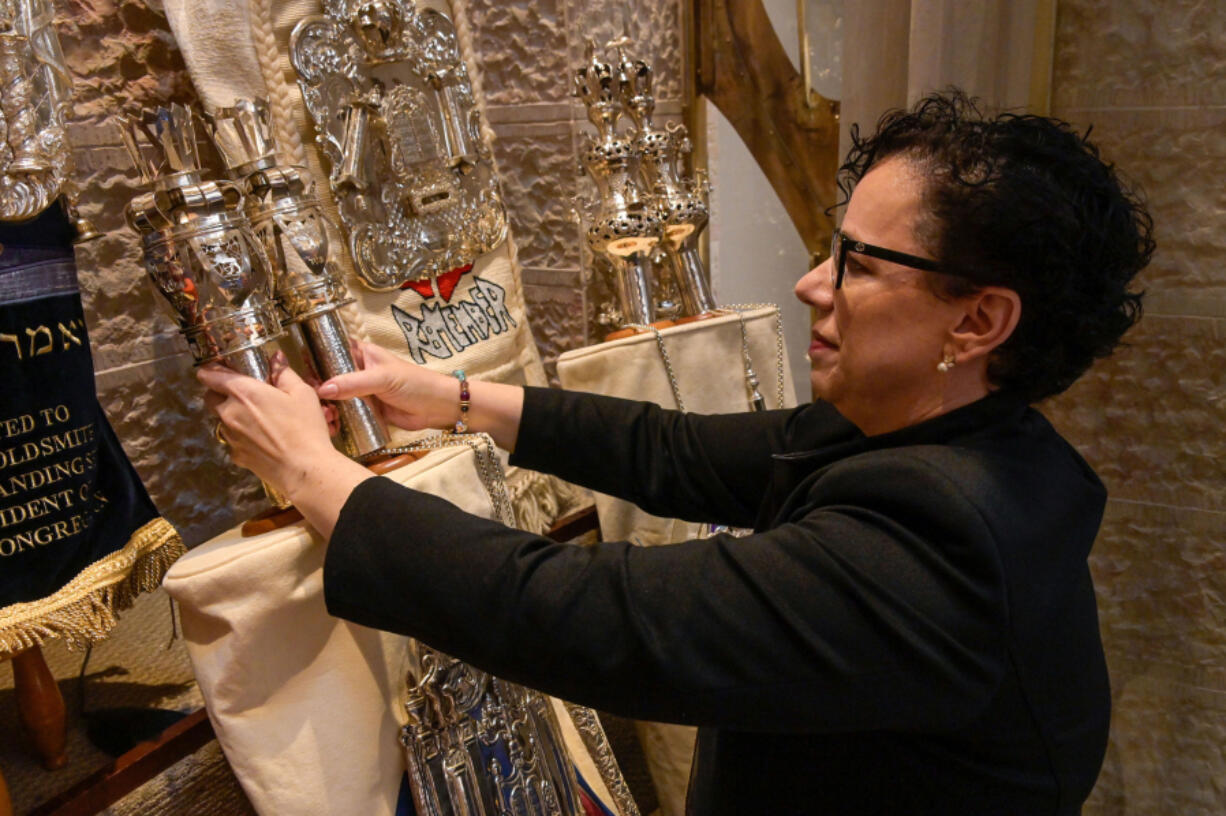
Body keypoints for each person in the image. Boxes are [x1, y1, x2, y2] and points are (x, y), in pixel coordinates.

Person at [199, 90, 1154, 814]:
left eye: (860, 264)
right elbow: (678, 451)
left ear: (979, 321)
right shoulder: (938, 428)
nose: (812, 282)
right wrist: (452, 397)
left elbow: (591, 616)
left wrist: (313, 475)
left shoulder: (937, 545)